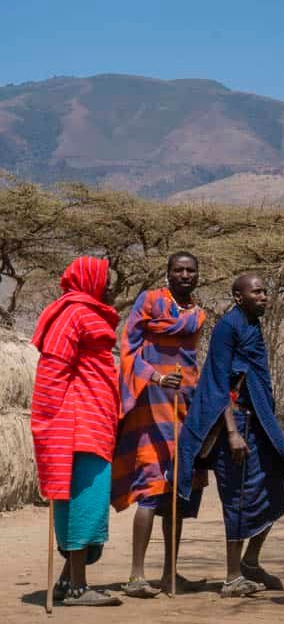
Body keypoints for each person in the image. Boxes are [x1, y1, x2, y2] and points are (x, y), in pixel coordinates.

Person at [177, 274, 284, 597]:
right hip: (232, 427)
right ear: (238, 296)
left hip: (257, 423)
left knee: (275, 492)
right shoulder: (228, 327)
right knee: (238, 498)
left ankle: (250, 561)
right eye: (257, 292)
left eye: (265, 291)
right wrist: (232, 433)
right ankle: (232, 577)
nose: (264, 297)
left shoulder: (251, 324)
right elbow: (219, 382)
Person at [111, 251, 206, 598]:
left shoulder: (197, 313)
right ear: (168, 274)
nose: (185, 275)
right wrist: (154, 376)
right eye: (178, 270)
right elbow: (128, 350)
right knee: (150, 488)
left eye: (190, 270)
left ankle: (169, 574)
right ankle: (136, 575)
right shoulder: (149, 301)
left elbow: (191, 360)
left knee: (178, 493)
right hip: (151, 407)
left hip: (185, 407)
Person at [30, 256, 123, 606]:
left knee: (85, 499)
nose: (111, 288)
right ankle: (79, 588)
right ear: (91, 282)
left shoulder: (87, 313)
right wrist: (50, 423)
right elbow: (53, 372)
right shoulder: (72, 315)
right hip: (77, 423)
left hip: (93, 419)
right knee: (87, 500)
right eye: (106, 282)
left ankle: (67, 581)